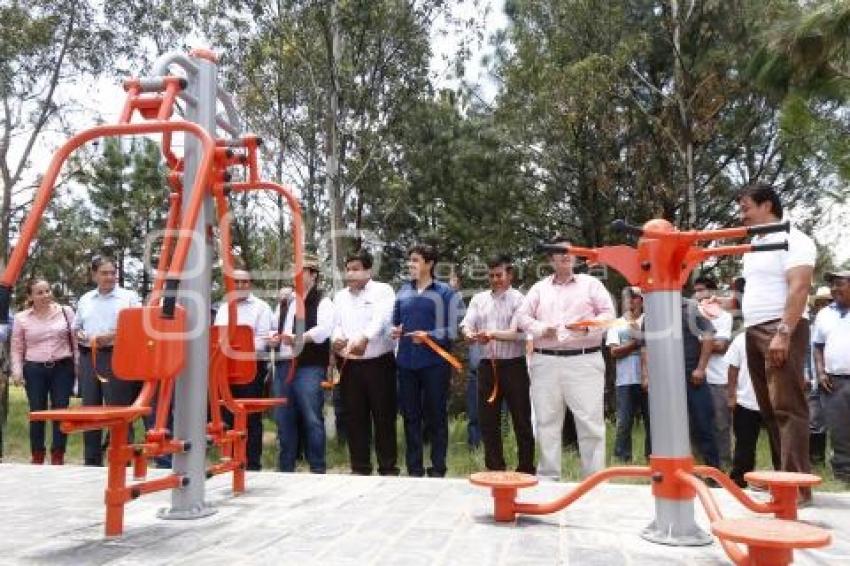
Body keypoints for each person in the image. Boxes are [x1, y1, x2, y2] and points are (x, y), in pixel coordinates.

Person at [738, 182, 816, 503]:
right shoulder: (756, 246)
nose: (742, 215)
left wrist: (784, 332)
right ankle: (781, 479)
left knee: (788, 408)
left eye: (746, 208)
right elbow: (756, 292)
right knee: (769, 410)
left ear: (767, 205)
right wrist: (724, 303)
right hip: (754, 330)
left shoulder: (794, 240)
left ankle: (796, 486)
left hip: (780, 329)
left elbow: (799, 289)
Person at [516, 237, 615, 479]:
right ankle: (548, 477)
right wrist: (541, 329)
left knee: (590, 423)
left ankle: (593, 480)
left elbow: (608, 315)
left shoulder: (591, 284)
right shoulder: (539, 288)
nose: (565, 255)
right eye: (559, 252)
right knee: (547, 422)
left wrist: (587, 329)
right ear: (550, 259)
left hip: (584, 360)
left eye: (570, 251)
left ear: (576, 256)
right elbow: (522, 317)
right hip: (545, 360)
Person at [391, 244, 463, 478]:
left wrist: (429, 336)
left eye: (415, 260)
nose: (410, 264)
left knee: (436, 416)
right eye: (409, 260)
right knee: (410, 417)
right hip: (406, 364)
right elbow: (394, 325)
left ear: (429, 264)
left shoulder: (445, 293)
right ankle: (414, 468)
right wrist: (394, 331)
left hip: (435, 365)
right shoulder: (402, 292)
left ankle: (438, 468)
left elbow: (454, 330)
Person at [461, 254, 535, 474]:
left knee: (521, 419)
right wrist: (468, 334)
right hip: (486, 366)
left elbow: (517, 333)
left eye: (499, 275)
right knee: (488, 420)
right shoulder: (479, 299)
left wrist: (491, 334)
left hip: (514, 365)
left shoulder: (520, 300)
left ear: (509, 274)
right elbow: (466, 324)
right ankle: (495, 468)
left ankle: (525, 469)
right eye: (491, 275)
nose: (495, 280)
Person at [331, 249, 398, 476]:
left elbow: (382, 320)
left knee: (383, 416)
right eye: (348, 269)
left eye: (356, 269)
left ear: (368, 270)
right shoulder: (339, 296)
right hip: (349, 365)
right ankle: (359, 468)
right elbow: (336, 324)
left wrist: (365, 337)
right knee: (354, 417)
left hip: (378, 363)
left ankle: (388, 468)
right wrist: (336, 338)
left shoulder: (383, 291)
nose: (350, 274)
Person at [74, 256, 142, 466]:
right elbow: (76, 327)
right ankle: (92, 461)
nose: (110, 277)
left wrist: (112, 336)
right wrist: (81, 335)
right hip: (89, 357)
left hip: (117, 357)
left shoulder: (128, 297)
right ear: (94, 275)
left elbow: (137, 325)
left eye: (113, 273)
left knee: (118, 409)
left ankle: (122, 459)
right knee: (90, 410)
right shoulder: (85, 299)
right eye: (104, 273)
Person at [271, 256, 334, 473]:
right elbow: (275, 326)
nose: (295, 275)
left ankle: (317, 468)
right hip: (284, 364)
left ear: (313, 274)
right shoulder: (285, 301)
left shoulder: (323, 301)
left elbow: (324, 330)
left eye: (301, 271)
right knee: (283, 419)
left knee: (312, 417)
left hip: (309, 365)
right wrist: (274, 337)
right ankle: (285, 468)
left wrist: (300, 337)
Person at [213, 267, 274, 471]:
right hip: (225, 370)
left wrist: (237, 348)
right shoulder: (223, 308)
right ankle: (229, 461)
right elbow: (217, 338)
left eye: (244, 282)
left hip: (251, 370)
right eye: (235, 283)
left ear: (250, 284)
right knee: (227, 416)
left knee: (250, 417)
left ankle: (252, 464)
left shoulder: (261, 307)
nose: (240, 286)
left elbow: (262, 341)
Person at [10, 279, 76, 465]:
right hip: (34, 370)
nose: (46, 295)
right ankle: (37, 455)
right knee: (37, 412)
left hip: (62, 368)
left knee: (61, 412)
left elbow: (76, 343)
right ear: (30, 296)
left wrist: (78, 370)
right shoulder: (21, 318)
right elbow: (17, 347)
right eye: (39, 293)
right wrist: (17, 371)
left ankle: (58, 455)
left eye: (47, 291)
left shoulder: (66, 312)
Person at [813, 270, 850, 484]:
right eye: (832, 285)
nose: (834, 289)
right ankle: (843, 474)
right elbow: (818, 346)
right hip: (834, 382)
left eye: (839, 283)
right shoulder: (824, 314)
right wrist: (820, 371)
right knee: (839, 430)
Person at [694, 275, 734, 469]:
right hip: (695, 378)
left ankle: (724, 463)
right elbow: (713, 344)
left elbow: (721, 346)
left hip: (718, 378)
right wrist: (708, 344)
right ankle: (700, 463)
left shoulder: (724, 317)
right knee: (697, 422)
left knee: (721, 423)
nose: (698, 294)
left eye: (702, 290)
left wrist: (699, 344)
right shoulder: (692, 315)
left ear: (712, 292)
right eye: (696, 291)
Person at [607, 286, 649, 463]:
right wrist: (636, 343)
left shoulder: (651, 319)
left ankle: (652, 457)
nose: (632, 301)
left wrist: (637, 342)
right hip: (625, 380)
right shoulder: (616, 323)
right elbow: (614, 352)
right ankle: (622, 458)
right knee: (624, 422)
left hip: (650, 379)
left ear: (642, 300)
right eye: (628, 298)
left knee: (651, 421)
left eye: (636, 297)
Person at [681, 296, 721, 469]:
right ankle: (681, 468)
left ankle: (713, 469)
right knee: (673, 427)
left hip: (692, 375)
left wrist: (701, 368)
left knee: (703, 421)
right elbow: (645, 346)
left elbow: (708, 336)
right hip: (665, 379)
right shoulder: (653, 308)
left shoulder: (690, 307)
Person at [725, 330, 762, 488]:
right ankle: (739, 479)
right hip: (746, 399)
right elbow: (733, 368)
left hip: (773, 401)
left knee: (778, 443)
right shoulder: (741, 339)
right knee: (744, 443)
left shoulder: (777, 336)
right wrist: (732, 395)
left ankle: (780, 479)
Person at [807, 285, 832, 466]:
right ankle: (817, 459)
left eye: (828, 302)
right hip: (814, 378)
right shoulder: (809, 326)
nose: (824, 305)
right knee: (815, 421)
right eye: (822, 302)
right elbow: (804, 354)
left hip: (835, 376)